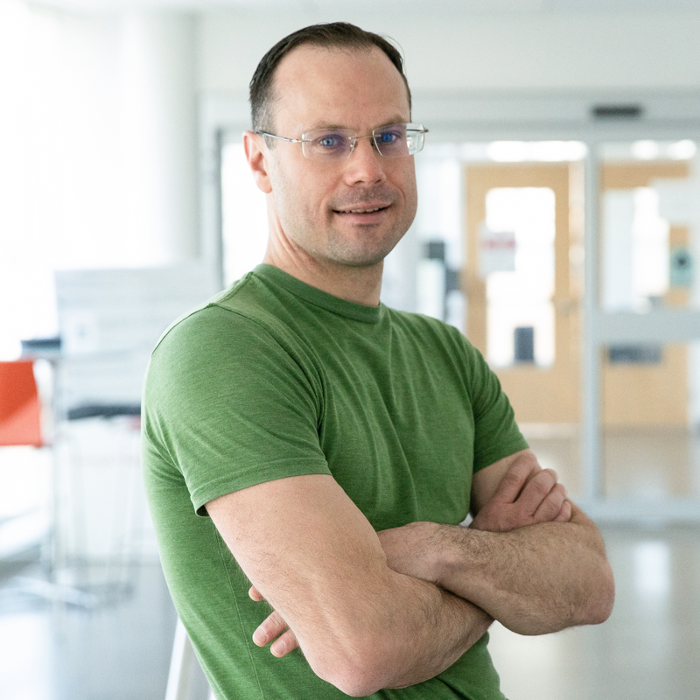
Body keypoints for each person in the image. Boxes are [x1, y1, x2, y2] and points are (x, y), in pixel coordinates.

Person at [142, 22, 614, 700]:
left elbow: (588, 581)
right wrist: (498, 565)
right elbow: (363, 652)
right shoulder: (223, 351)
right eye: (327, 141)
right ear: (258, 161)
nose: (367, 168)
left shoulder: (444, 353)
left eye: (389, 136)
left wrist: (433, 547)